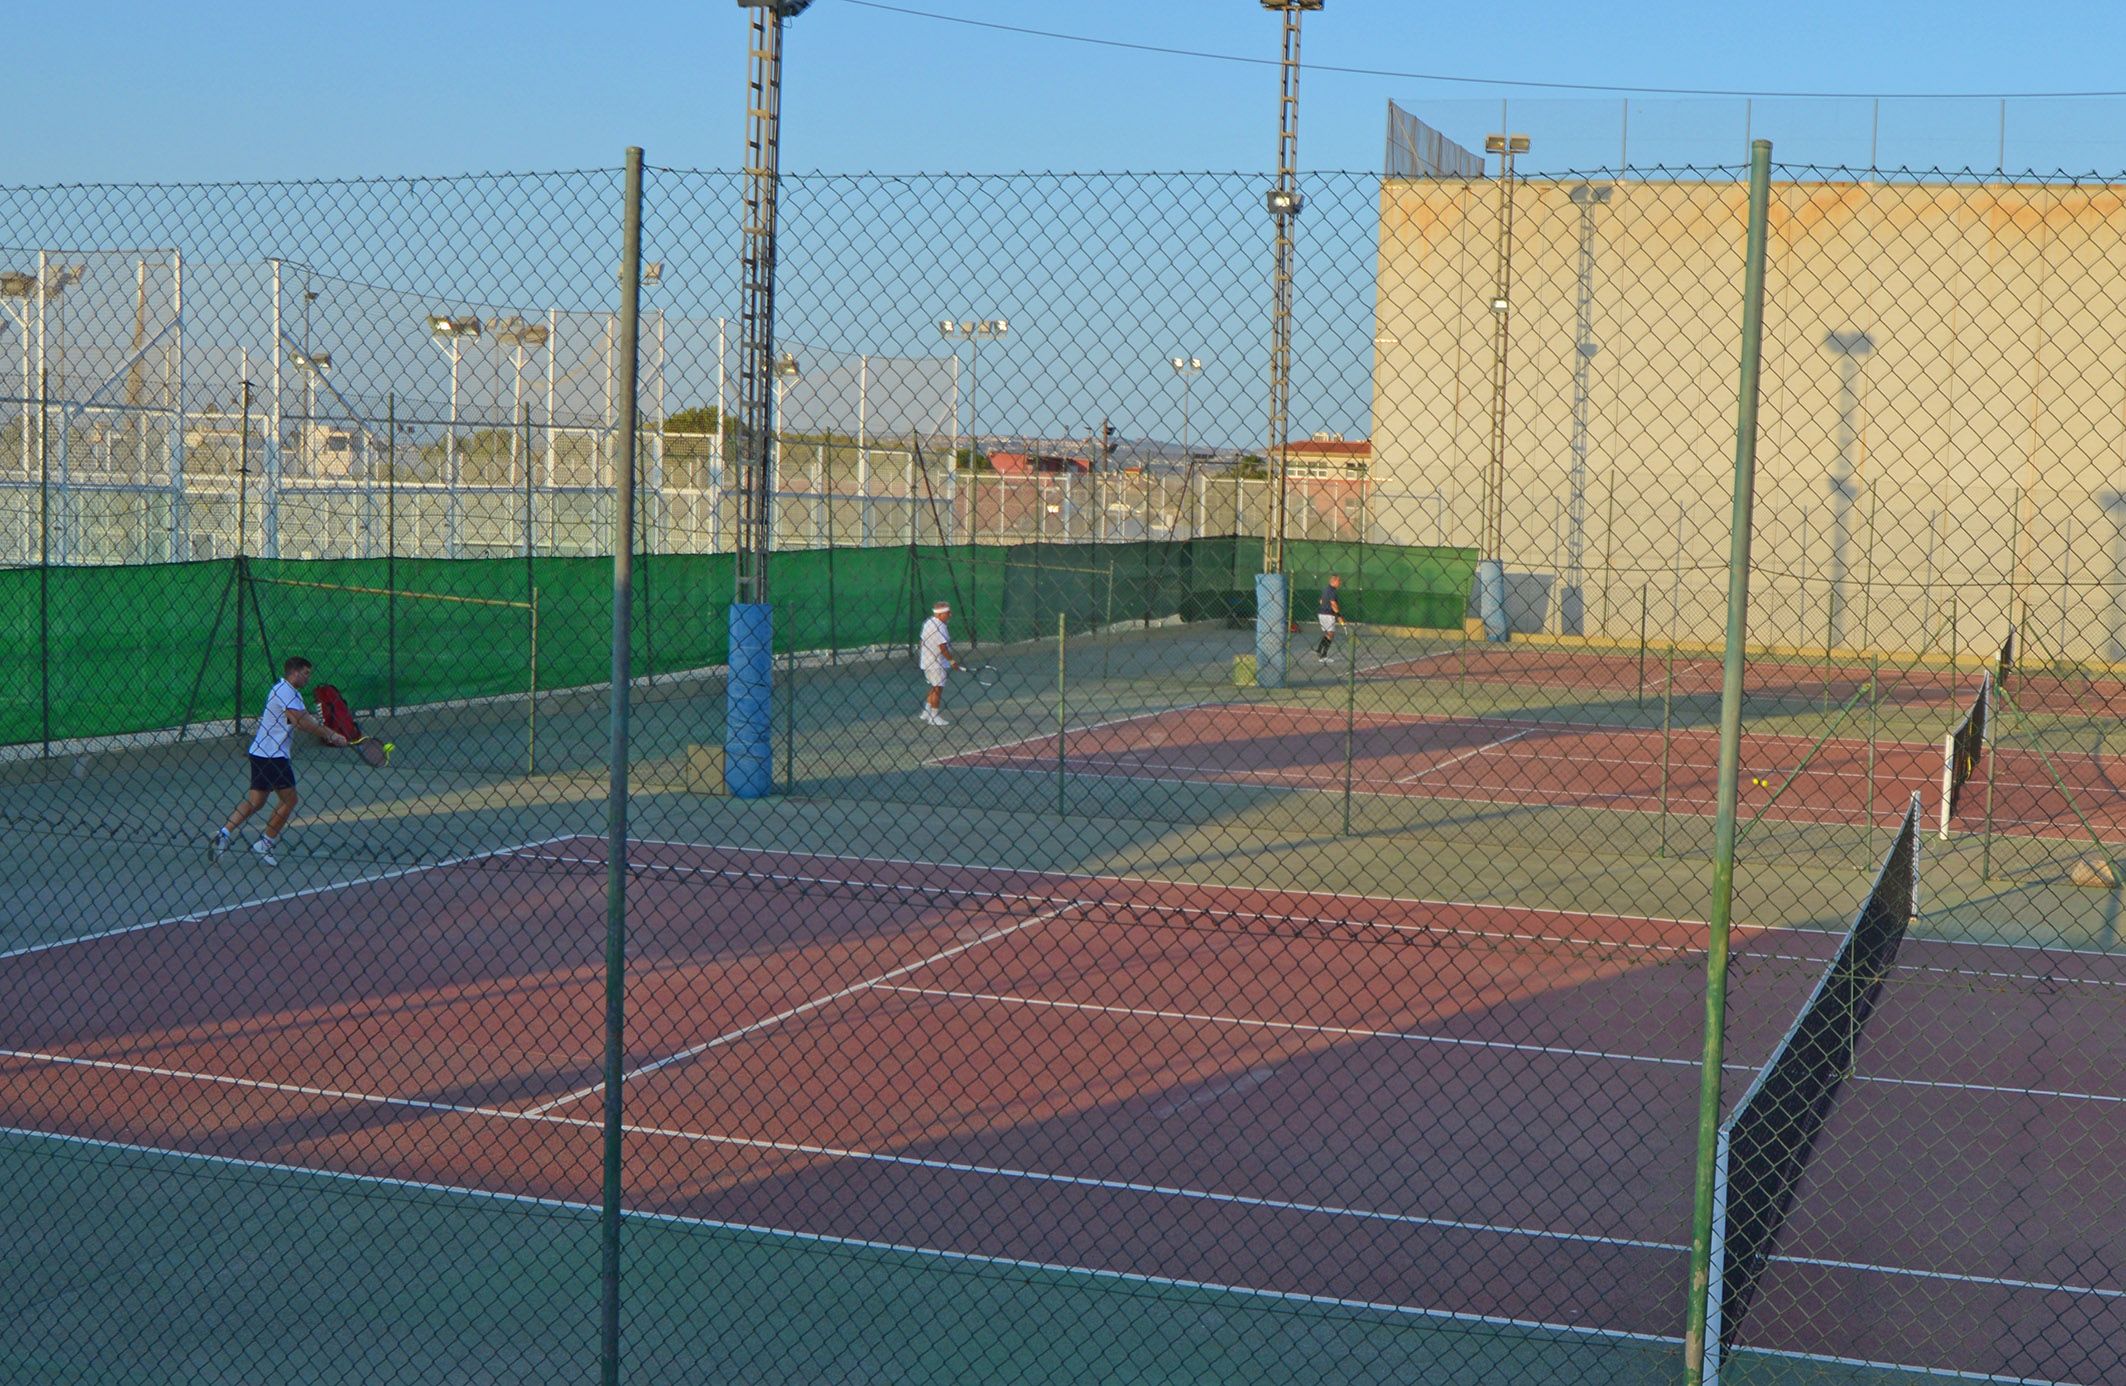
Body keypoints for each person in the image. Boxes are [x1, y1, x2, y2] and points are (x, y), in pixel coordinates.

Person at [210, 656, 346, 867]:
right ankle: (265, 842)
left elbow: (304, 719)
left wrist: (330, 732)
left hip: (261, 753)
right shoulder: (284, 691)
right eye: (306, 673)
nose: (309, 678)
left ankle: (223, 833)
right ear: (295, 672)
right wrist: (331, 734)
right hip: (272, 755)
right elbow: (300, 722)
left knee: (257, 802)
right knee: (290, 800)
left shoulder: (292, 694)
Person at [917, 601, 962, 726]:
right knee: (938, 689)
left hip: (927, 662)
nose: (950, 615)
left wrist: (927, 653)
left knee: (934, 686)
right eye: (948, 613)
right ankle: (934, 717)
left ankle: (926, 712)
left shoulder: (928, 622)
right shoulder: (939, 627)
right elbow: (942, 647)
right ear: (941, 614)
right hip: (936, 664)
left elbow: (921, 641)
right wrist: (952, 661)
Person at [1315, 574, 1343, 662]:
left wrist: (1325, 606)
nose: (1340, 583)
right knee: (1330, 634)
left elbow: (1320, 601)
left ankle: (1319, 650)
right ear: (1334, 581)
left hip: (1322, 614)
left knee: (1328, 633)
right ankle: (1323, 656)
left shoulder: (1325, 589)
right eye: (1339, 581)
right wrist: (1338, 615)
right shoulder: (1332, 591)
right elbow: (1333, 603)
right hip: (1328, 615)